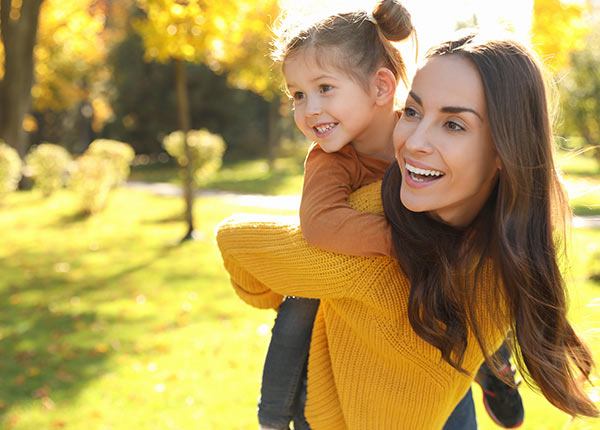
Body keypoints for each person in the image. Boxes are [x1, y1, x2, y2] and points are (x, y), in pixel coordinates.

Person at [218, 29, 598, 430]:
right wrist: (298, 283)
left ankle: (495, 376)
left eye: (453, 125)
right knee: (299, 305)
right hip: (342, 412)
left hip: (440, 400)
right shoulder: (364, 230)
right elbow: (238, 241)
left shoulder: (511, 242)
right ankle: (271, 416)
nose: (414, 142)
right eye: (414, 112)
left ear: (508, 149)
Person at [258, 1, 524, 429]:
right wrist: (405, 240)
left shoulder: (423, 132)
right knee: (299, 303)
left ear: (382, 88)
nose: (309, 110)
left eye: (325, 88)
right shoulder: (332, 161)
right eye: (298, 95)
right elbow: (321, 224)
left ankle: (496, 368)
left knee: (469, 297)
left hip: (453, 280)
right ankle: (273, 413)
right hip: (375, 272)